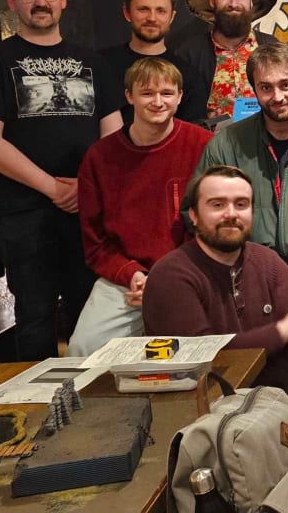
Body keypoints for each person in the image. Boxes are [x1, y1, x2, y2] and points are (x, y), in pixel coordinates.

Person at [0, 0, 122, 360]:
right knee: (35, 317)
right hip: (22, 213)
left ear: (63, 0)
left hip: (86, 207)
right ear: (13, 3)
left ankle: (93, 394)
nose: (41, 2)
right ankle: (40, 397)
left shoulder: (93, 62)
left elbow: (114, 136)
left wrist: (87, 187)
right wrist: (53, 188)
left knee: (91, 313)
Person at [193, 42, 288, 400]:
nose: (277, 96)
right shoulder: (227, 143)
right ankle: (246, 423)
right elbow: (198, 206)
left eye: (285, 85)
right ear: (254, 90)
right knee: (237, 351)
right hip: (245, 270)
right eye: (266, 87)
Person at [67, 58, 212, 356]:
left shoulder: (204, 146)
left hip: (189, 272)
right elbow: (95, 241)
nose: (158, 102)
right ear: (129, 96)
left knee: (195, 352)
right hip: (126, 280)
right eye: (147, 93)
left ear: (180, 97)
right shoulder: (100, 158)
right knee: (83, 348)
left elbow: (214, 225)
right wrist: (131, 274)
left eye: (167, 93)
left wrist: (167, 279)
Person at [144, 165, 288, 396]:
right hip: (194, 407)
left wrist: (256, 390)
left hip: (266, 399)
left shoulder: (269, 262)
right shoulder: (170, 275)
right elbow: (198, 356)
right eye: (217, 205)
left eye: (241, 204)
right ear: (194, 215)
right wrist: (282, 332)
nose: (231, 214)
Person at [175, 0, 278, 121]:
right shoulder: (189, 53)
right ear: (212, 1)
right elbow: (178, 107)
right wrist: (202, 118)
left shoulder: (272, 47)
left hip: (263, 136)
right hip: (209, 136)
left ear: (251, 2)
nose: (234, 4)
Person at [100, 0, 206, 125]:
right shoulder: (101, 64)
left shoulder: (188, 75)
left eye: (161, 11)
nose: (152, 18)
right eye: (143, 9)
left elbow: (192, 132)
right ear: (127, 13)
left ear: (171, 17)